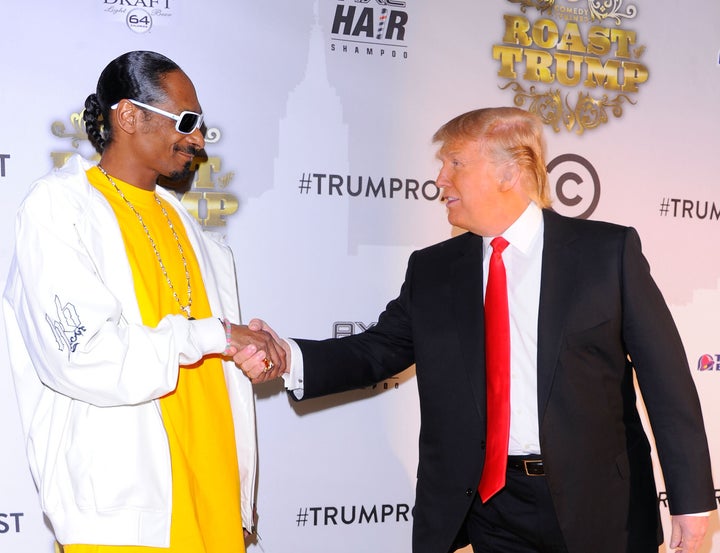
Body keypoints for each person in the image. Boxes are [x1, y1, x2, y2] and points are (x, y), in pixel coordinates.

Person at [235, 107, 716, 553]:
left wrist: (692, 500)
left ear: (510, 171)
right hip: (490, 505)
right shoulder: (434, 269)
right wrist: (287, 357)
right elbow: (376, 352)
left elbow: (667, 383)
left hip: (599, 505)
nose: (439, 179)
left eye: (455, 163)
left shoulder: (605, 254)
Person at [2, 51, 285, 552]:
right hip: (126, 516)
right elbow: (86, 357)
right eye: (188, 121)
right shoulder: (58, 207)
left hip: (216, 508)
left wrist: (247, 351)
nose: (199, 139)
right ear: (129, 115)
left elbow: (207, 364)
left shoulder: (190, 228)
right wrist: (217, 334)